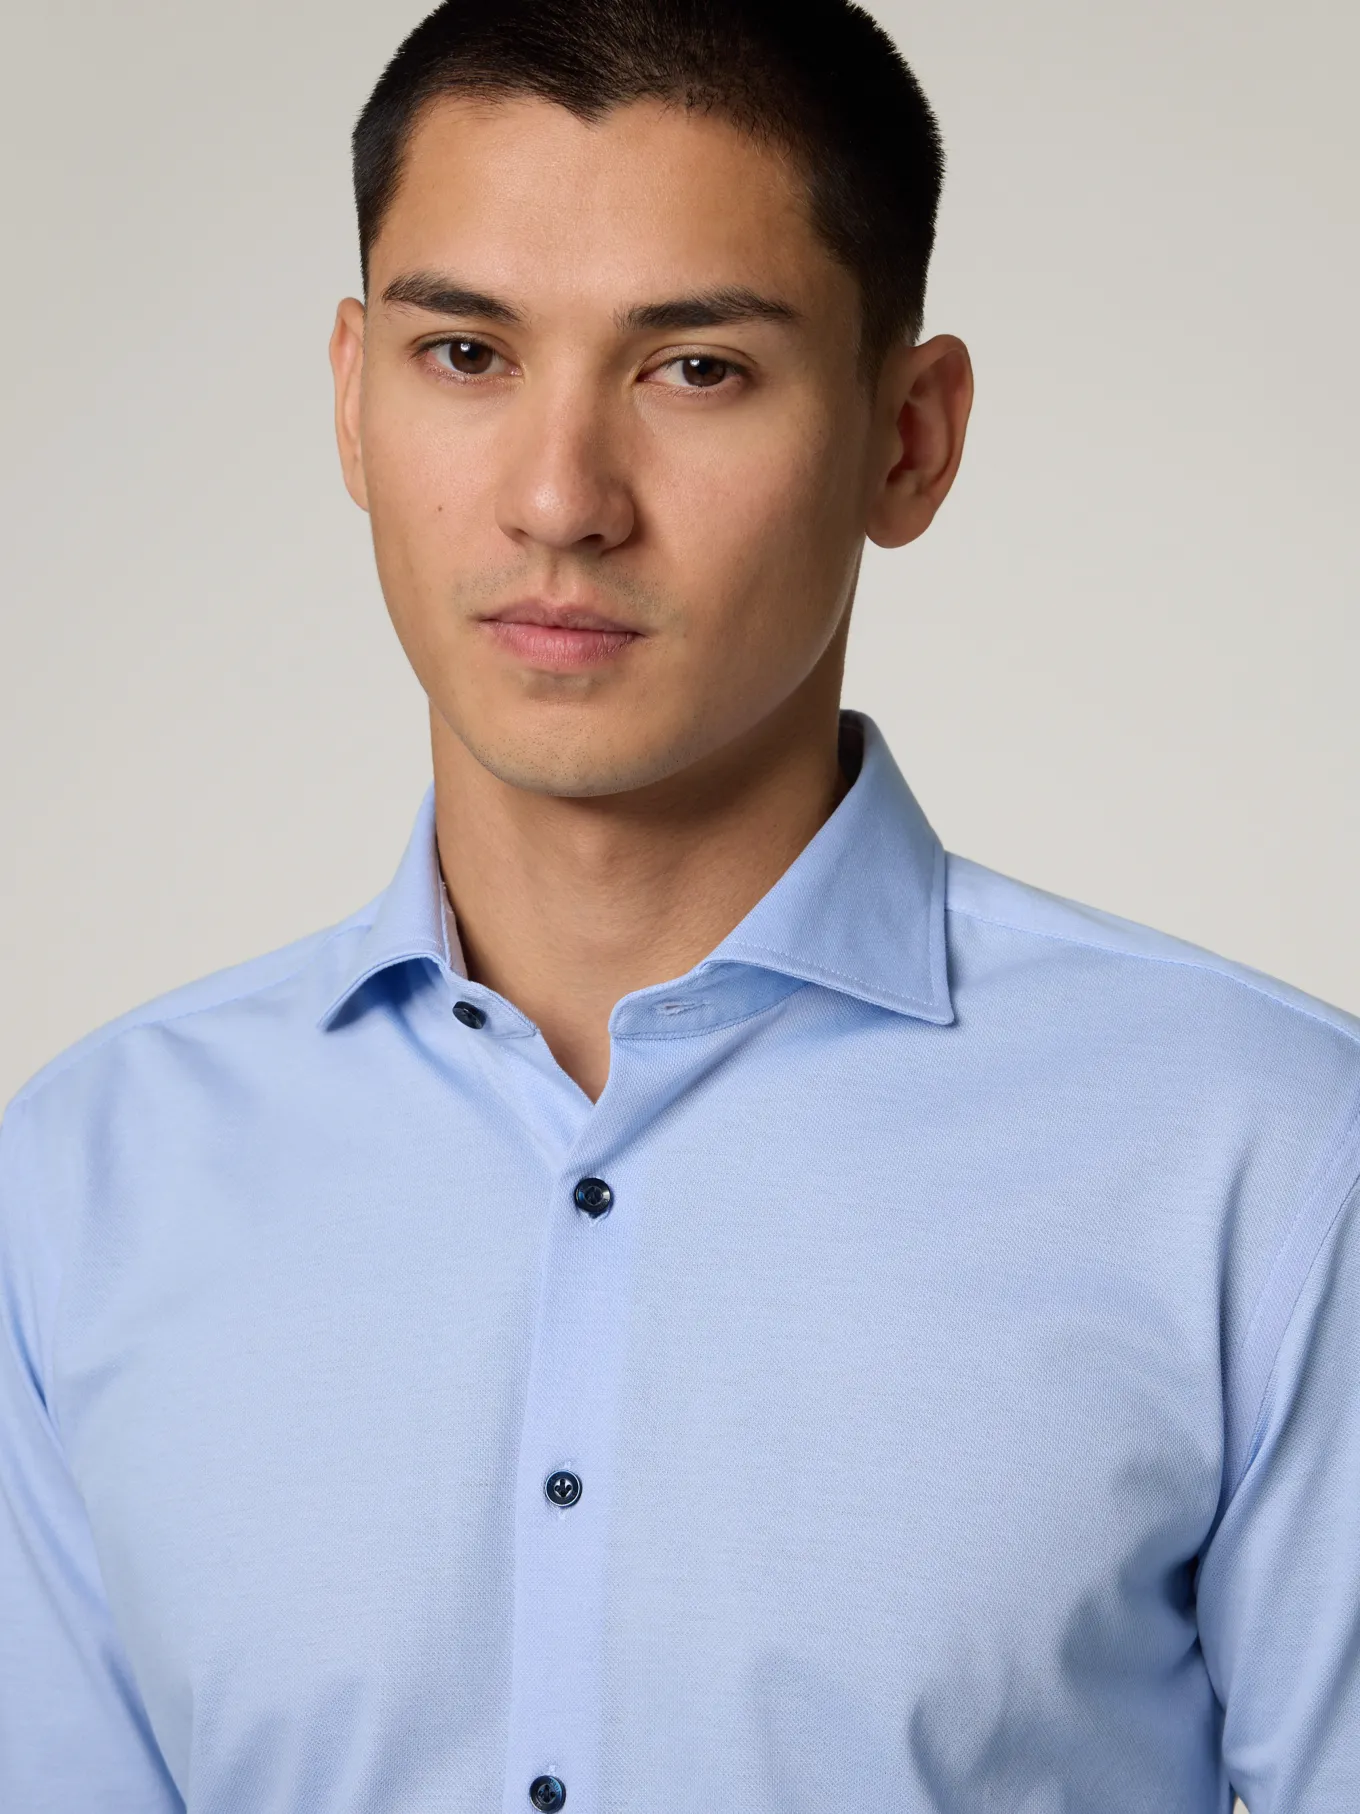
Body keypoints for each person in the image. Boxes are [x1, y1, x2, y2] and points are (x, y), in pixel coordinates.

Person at [1, 0, 1355, 1807]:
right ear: (349, 397)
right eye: (466, 353)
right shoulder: (83, 1183)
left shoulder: (1267, 1160)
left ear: (909, 439)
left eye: (696, 368)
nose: (560, 499)